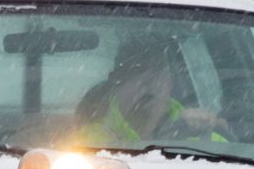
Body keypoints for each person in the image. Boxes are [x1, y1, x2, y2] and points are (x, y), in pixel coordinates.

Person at [74, 33, 226, 147]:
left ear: (170, 81)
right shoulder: (92, 141)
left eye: (159, 70)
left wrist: (211, 130)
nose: (149, 82)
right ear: (116, 81)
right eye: (138, 70)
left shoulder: (202, 136)